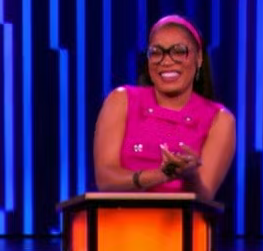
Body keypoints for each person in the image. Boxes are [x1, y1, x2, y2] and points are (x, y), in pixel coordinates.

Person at [91, 15, 237, 201]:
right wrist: (162, 175)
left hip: (181, 219)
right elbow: (106, 179)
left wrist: (190, 176)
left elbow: (204, 197)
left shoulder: (220, 119)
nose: (166, 61)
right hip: (117, 217)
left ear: (199, 58)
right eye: (156, 52)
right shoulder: (121, 100)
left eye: (179, 51)